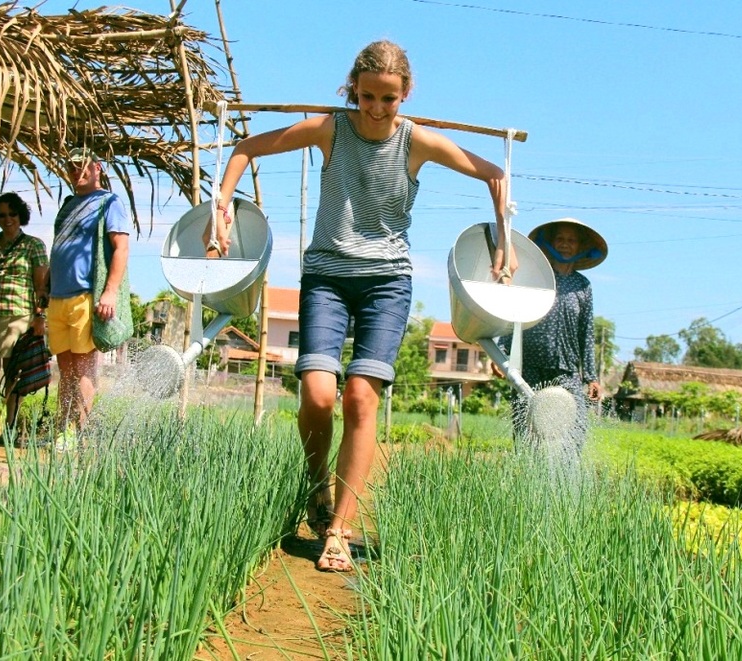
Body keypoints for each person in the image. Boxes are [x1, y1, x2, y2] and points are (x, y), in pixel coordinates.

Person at [205, 40, 516, 572]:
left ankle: (339, 530)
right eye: (367, 96)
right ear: (353, 89)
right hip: (327, 273)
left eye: (388, 99)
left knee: (360, 398)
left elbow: (494, 173)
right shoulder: (332, 129)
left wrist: (505, 240)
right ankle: (316, 485)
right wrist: (222, 207)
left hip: (386, 283)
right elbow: (245, 150)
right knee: (320, 395)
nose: (375, 108)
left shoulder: (417, 143)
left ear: (405, 95)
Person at [497, 217, 606, 450]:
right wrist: (502, 352)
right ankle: (525, 476)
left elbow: (586, 331)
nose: (565, 244)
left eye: (571, 240)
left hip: (566, 369)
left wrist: (591, 376)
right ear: (551, 243)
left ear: (580, 247)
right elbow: (515, 313)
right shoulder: (536, 278)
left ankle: (567, 477)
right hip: (531, 367)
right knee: (527, 431)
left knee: (574, 430)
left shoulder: (582, 286)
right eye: (560, 239)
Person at [46, 147, 130, 441]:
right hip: (57, 297)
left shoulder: (109, 202)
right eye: (71, 167)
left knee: (83, 368)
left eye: (83, 166)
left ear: (98, 169)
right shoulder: (69, 204)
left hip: (85, 296)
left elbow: (120, 247)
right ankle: (61, 430)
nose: (76, 171)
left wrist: (109, 293)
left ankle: (79, 433)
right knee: (65, 368)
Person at [0, 192, 49, 439]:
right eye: (2, 215)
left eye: (12, 214)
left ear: (20, 215)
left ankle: (10, 428)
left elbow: (41, 286)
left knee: (13, 373)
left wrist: (39, 316)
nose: (7, 219)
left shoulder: (34, 245)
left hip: (20, 317)